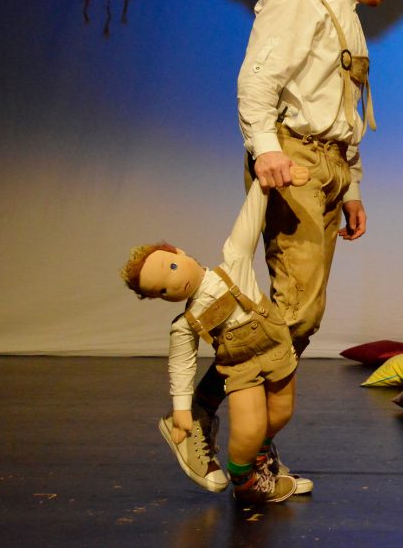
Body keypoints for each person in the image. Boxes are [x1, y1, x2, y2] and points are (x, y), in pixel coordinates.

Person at [163, 0, 403, 494]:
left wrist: (353, 185)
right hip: (293, 159)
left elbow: (345, 110)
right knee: (294, 310)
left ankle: (248, 441)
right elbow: (257, 79)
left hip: (329, 166)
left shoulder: (348, 16)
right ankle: (203, 419)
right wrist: (266, 148)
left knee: (303, 314)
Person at [120, 167, 313, 503]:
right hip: (240, 368)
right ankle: (246, 483)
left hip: (276, 348)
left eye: (171, 269)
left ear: (179, 253)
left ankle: (260, 461)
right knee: (249, 428)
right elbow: (181, 366)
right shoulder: (185, 323)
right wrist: (182, 410)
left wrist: (266, 183)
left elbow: (249, 218)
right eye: (162, 290)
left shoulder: (233, 261)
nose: (173, 284)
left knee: (281, 413)